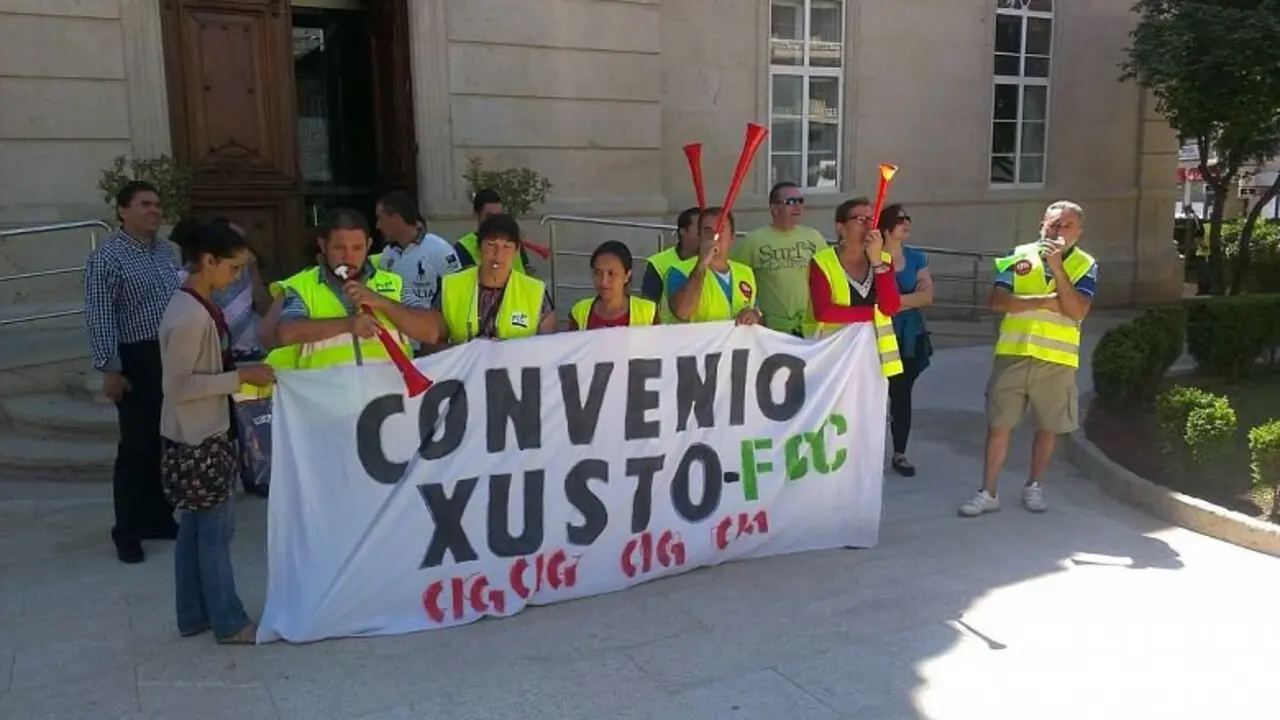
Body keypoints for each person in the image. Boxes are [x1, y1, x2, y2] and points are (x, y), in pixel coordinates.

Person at [159, 221, 274, 644]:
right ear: (208, 261)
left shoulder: (195, 305)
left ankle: (192, 613)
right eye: (233, 267)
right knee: (214, 532)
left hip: (199, 432)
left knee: (194, 527)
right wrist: (238, 377)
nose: (236, 277)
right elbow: (178, 386)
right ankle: (229, 621)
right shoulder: (190, 316)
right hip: (199, 437)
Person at [959, 200, 1097, 518]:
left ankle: (1034, 486)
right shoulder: (1019, 255)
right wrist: (1047, 301)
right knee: (998, 424)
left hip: (1057, 359)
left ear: (1079, 231)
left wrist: (1058, 270)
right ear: (1041, 225)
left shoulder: (1086, 264)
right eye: (1053, 224)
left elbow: (1077, 310)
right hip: (1014, 353)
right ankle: (988, 492)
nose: (1058, 230)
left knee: (1047, 427)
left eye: (1066, 225)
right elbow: (998, 300)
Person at [83, 180, 182, 564]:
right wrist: (110, 368)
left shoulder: (169, 252)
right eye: (144, 204)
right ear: (123, 211)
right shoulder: (106, 258)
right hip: (136, 358)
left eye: (157, 203)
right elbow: (100, 315)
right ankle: (127, 530)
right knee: (136, 447)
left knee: (165, 441)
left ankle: (157, 516)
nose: (154, 210)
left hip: (172, 354)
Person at [273, 208, 441, 369]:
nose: (348, 256)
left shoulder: (393, 283)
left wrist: (382, 302)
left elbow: (431, 332)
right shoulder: (302, 286)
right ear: (323, 245)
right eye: (339, 248)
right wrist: (347, 325)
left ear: (368, 245)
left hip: (387, 394)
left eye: (357, 248)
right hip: (326, 395)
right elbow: (287, 333)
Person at [801, 198, 903, 378]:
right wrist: (873, 314)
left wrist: (877, 262)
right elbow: (824, 312)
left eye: (871, 220)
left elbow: (891, 307)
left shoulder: (884, 260)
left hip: (874, 358)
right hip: (833, 354)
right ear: (841, 227)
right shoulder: (822, 261)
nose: (868, 226)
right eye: (860, 220)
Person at [436, 213, 556, 341]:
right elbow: (433, 342)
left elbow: (546, 347)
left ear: (516, 251)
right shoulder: (450, 286)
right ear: (479, 247)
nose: (498, 255)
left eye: (507, 247)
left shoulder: (535, 291)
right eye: (491, 245)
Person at [879, 204, 934, 476]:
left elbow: (927, 296)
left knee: (902, 396)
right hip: (880, 336)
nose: (906, 223)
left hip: (910, 336)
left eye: (907, 218)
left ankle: (899, 453)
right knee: (877, 396)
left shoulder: (916, 257)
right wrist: (907, 299)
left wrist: (893, 302)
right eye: (900, 220)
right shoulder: (873, 258)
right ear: (886, 227)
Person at [372, 191, 463, 354]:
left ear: (395, 218)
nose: (377, 225)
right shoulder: (387, 254)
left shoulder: (439, 250)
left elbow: (457, 297)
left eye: (380, 217)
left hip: (431, 345)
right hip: (400, 345)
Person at [731, 182, 825, 335]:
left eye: (800, 201)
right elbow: (736, 279)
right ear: (774, 209)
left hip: (811, 328)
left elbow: (829, 275)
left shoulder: (814, 237)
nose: (797, 207)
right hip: (772, 331)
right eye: (790, 202)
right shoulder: (753, 241)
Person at [666, 207, 762, 326]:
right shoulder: (679, 271)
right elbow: (682, 312)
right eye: (708, 231)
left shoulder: (746, 273)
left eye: (720, 230)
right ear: (700, 237)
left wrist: (754, 315)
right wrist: (701, 264)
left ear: (732, 236)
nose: (714, 237)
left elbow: (759, 317)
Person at [568, 241, 660, 330]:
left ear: (627, 275)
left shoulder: (649, 313)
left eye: (611, 273)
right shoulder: (579, 312)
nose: (604, 281)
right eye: (598, 273)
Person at [639, 206, 701, 322]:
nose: (704, 237)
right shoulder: (658, 263)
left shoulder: (713, 262)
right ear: (683, 232)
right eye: (699, 231)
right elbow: (648, 307)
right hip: (669, 334)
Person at [454, 188, 531, 274]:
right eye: (489, 216)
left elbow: (526, 272)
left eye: (499, 215)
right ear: (476, 214)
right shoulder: (463, 248)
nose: (495, 221)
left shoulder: (513, 241)